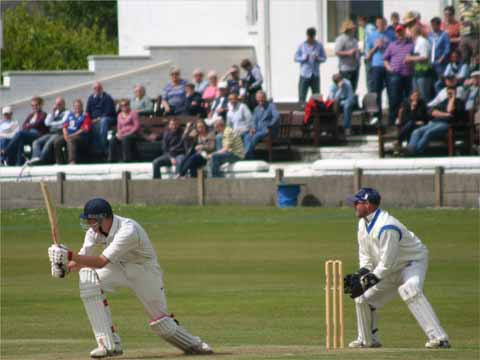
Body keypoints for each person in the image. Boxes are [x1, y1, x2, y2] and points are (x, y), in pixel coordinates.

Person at [47, 198, 213, 358]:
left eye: (92, 221)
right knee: (88, 279)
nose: (90, 225)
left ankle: (195, 345)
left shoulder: (128, 230)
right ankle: (108, 344)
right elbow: (82, 259)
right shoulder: (94, 232)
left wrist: (69, 255)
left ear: (104, 218)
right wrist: (63, 266)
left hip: (144, 272)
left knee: (161, 324)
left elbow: (99, 262)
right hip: (118, 267)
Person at [343, 187, 450, 349]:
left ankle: (439, 339)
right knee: (362, 298)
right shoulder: (362, 224)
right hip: (390, 267)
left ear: (368, 205)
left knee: (409, 289)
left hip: (411, 263)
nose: (354, 206)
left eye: (357, 203)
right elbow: (366, 256)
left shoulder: (387, 227)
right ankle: (367, 340)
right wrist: (361, 275)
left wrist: (366, 282)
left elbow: (386, 264)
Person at [408, 86, 465, 154]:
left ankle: (416, 152)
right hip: (434, 122)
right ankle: (411, 151)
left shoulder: (459, 102)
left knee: (428, 132)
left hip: (446, 123)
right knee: (416, 131)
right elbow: (433, 113)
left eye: (451, 92)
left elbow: (450, 110)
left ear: (455, 92)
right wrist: (446, 114)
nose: (449, 94)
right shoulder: (444, 101)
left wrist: (452, 98)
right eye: (448, 92)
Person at [1, 96, 48, 166]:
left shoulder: (43, 114)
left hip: (38, 134)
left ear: (40, 105)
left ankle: (5, 152)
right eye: (32, 105)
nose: (34, 107)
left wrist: (29, 125)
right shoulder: (31, 115)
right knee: (20, 140)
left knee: (20, 133)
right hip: (29, 134)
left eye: (36, 105)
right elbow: (24, 125)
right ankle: (18, 163)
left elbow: (37, 124)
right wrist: (29, 125)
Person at [365, 17, 396, 121]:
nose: (382, 26)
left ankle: (392, 117)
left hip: (389, 66)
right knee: (376, 91)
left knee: (391, 92)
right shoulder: (372, 35)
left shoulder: (391, 34)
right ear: (376, 24)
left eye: (384, 24)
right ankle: (377, 116)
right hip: (377, 65)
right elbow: (368, 55)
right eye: (380, 24)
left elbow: (396, 49)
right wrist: (376, 47)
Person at [383, 24, 414, 125]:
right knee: (394, 99)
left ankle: (406, 120)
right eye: (397, 32)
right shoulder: (392, 45)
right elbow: (385, 59)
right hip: (395, 75)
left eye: (401, 31)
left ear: (404, 32)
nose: (399, 33)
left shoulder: (411, 45)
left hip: (407, 75)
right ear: (395, 33)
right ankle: (392, 122)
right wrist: (389, 68)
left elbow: (415, 57)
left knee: (408, 99)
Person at [29, 97, 70, 165]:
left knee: (48, 143)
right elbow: (47, 123)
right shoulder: (54, 113)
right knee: (36, 142)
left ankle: (41, 159)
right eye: (56, 104)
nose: (57, 106)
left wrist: (52, 124)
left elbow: (62, 123)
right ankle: (35, 158)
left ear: (63, 104)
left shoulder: (67, 113)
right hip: (51, 133)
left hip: (59, 133)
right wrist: (53, 113)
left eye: (59, 104)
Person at [54, 99, 92, 164]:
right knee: (57, 141)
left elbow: (84, 129)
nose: (77, 108)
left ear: (82, 106)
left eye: (78, 106)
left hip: (80, 137)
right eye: (75, 106)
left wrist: (72, 135)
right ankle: (59, 162)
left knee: (71, 140)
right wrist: (65, 134)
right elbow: (65, 126)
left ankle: (72, 161)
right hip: (69, 135)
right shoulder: (71, 115)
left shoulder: (85, 115)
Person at [294, 27, 327, 102]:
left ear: (314, 36)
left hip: (315, 74)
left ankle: (316, 112)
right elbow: (295, 58)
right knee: (302, 96)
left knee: (317, 96)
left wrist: (318, 58)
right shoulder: (302, 45)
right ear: (307, 35)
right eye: (309, 36)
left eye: (312, 36)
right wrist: (303, 58)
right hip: (304, 74)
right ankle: (301, 112)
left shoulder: (319, 45)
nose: (311, 38)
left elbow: (324, 58)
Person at [244, 91, 280, 159]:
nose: (260, 101)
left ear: (265, 98)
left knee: (255, 136)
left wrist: (270, 124)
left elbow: (276, 116)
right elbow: (254, 120)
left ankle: (246, 154)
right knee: (247, 136)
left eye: (262, 99)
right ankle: (250, 155)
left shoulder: (271, 106)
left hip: (268, 130)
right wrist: (253, 128)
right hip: (258, 129)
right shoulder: (256, 108)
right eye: (258, 99)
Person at [86, 82, 116, 156]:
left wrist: (99, 118)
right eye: (95, 88)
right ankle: (96, 149)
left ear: (101, 88)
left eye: (99, 88)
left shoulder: (107, 97)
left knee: (103, 122)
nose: (97, 89)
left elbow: (109, 111)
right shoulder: (90, 98)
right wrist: (90, 120)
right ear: (93, 89)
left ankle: (103, 147)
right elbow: (87, 112)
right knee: (89, 124)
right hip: (94, 120)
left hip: (108, 118)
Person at [404, 25, 433, 102]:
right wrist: (409, 60)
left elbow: (425, 57)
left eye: (409, 32)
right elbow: (418, 57)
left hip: (424, 73)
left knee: (424, 96)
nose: (407, 34)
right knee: (416, 96)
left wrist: (410, 58)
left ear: (413, 32)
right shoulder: (416, 43)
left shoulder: (422, 41)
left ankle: (426, 113)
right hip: (417, 73)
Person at [335, 20, 360, 92]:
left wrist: (358, 53)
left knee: (353, 89)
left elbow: (356, 52)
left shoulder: (354, 40)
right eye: (353, 28)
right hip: (345, 69)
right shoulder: (341, 39)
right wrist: (348, 53)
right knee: (345, 90)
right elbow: (337, 52)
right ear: (348, 29)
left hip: (354, 68)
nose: (354, 29)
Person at [429, 17, 451, 89]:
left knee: (440, 82)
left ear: (439, 25)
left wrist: (442, 58)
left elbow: (447, 48)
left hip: (440, 62)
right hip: (431, 62)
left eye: (434, 25)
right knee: (432, 81)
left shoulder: (444, 34)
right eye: (432, 25)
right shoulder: (430, 35)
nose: (433, 27)